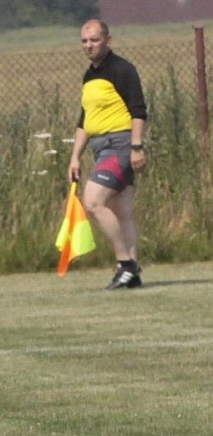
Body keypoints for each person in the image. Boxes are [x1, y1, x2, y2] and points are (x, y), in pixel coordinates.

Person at [67, 19, 148, 290]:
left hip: (121, 145)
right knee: (121, 210)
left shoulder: (122, 70)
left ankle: (125, 264)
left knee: (93, 201)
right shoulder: (89, 75)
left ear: (108, 41)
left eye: (94, 40)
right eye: (84, 41)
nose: (89, 45)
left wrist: (136, 147)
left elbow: (138, 110)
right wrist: (75, 157)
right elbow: (84, 120)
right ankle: (132, 275)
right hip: (100, 146)